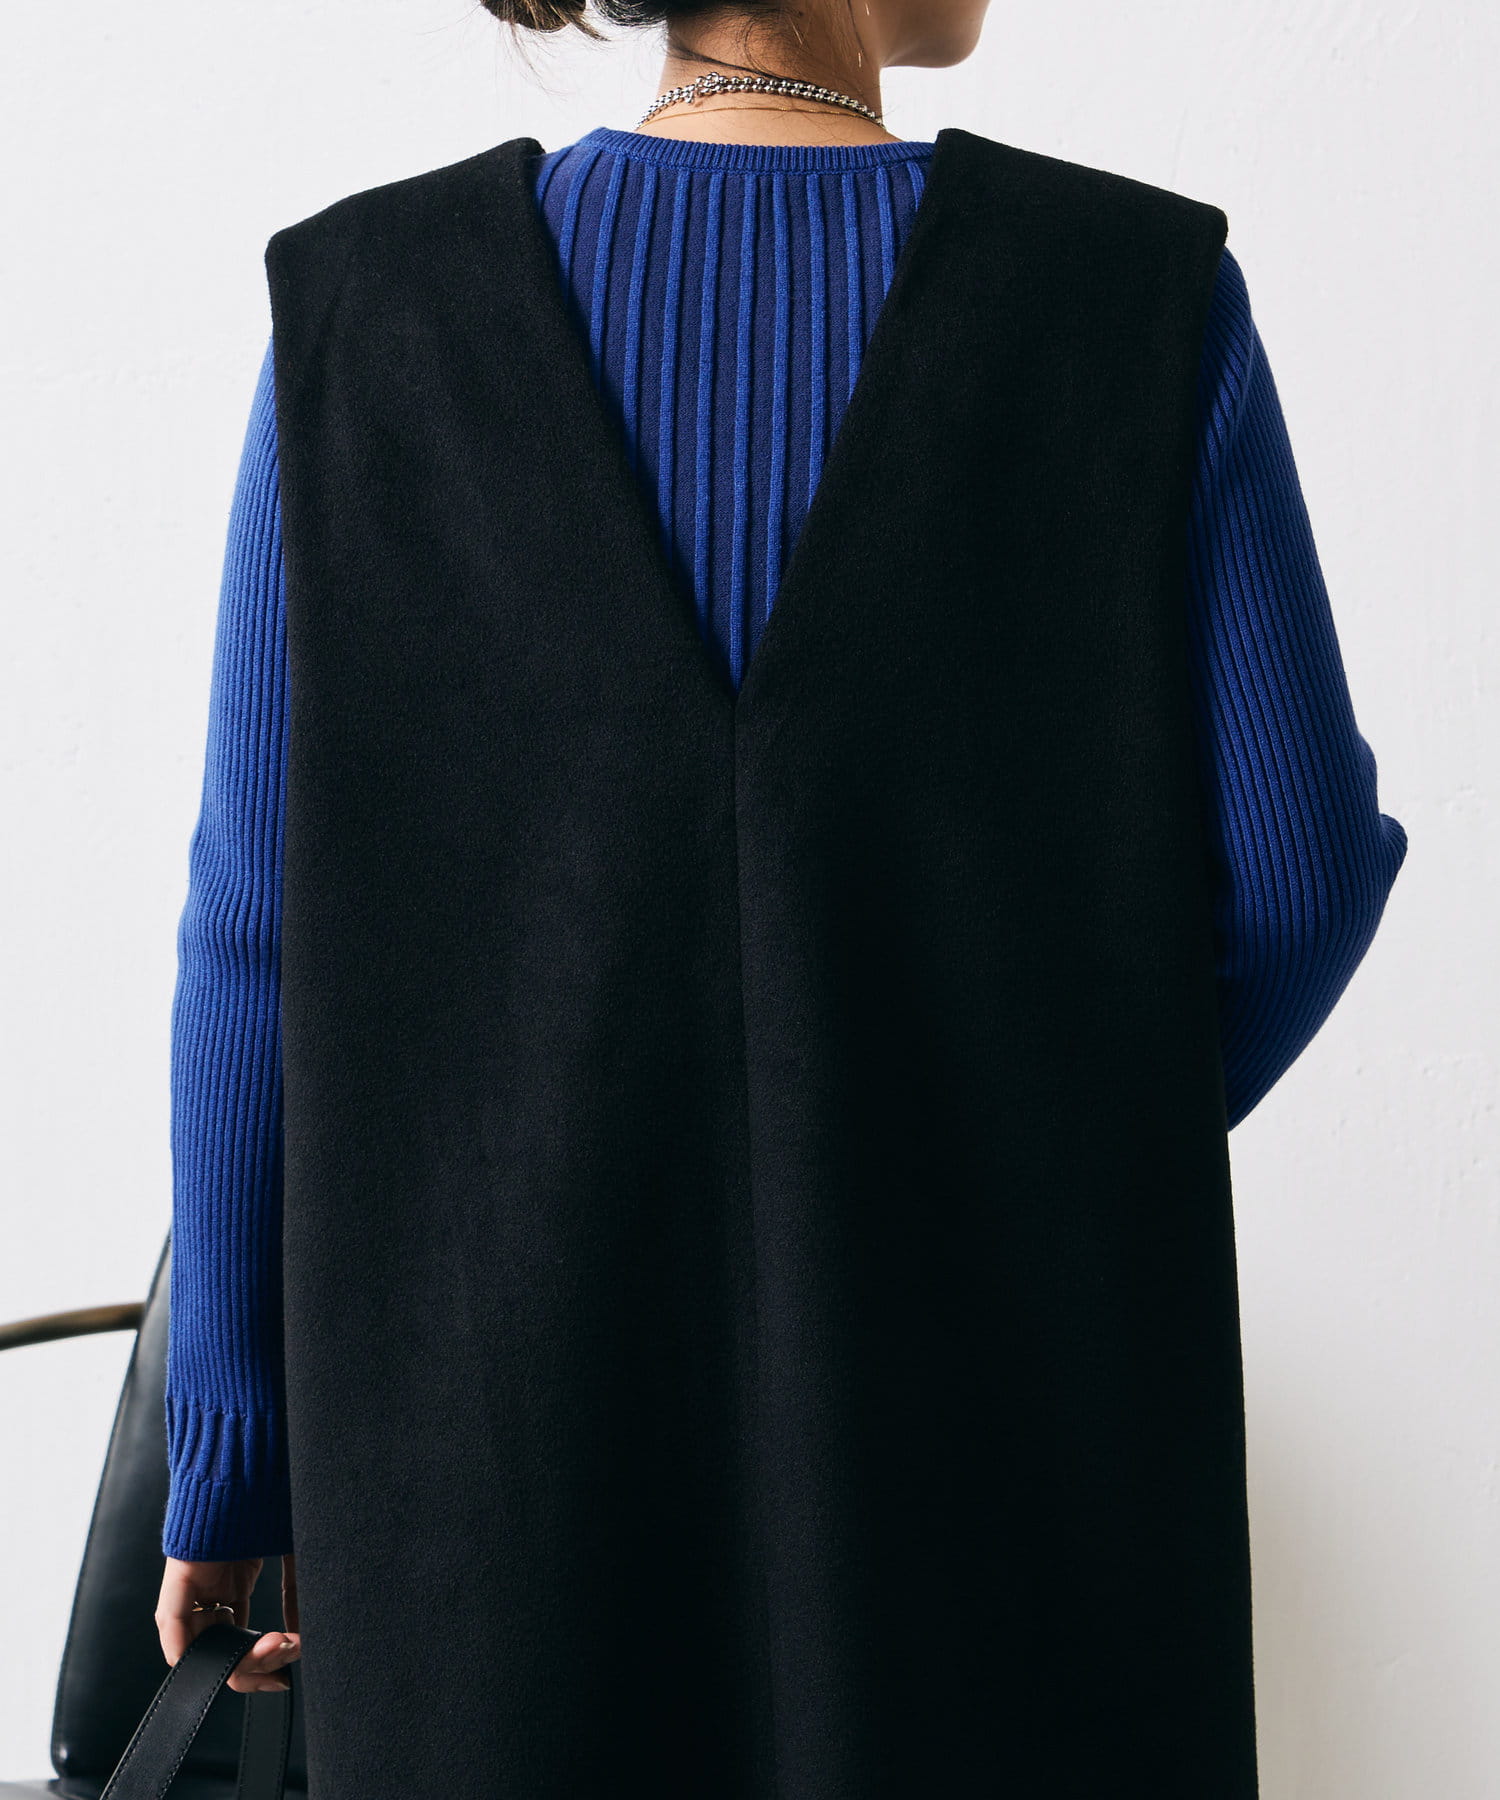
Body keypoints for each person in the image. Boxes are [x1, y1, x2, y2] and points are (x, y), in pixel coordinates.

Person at [155, 0, 1408, 1791]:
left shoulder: (364, 323)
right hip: (1005, 1483)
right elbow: (1298, 877)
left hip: (486, 1489)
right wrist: (1020, 1165)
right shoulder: (1137, 302)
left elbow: (255, 940)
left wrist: (232, 1459)